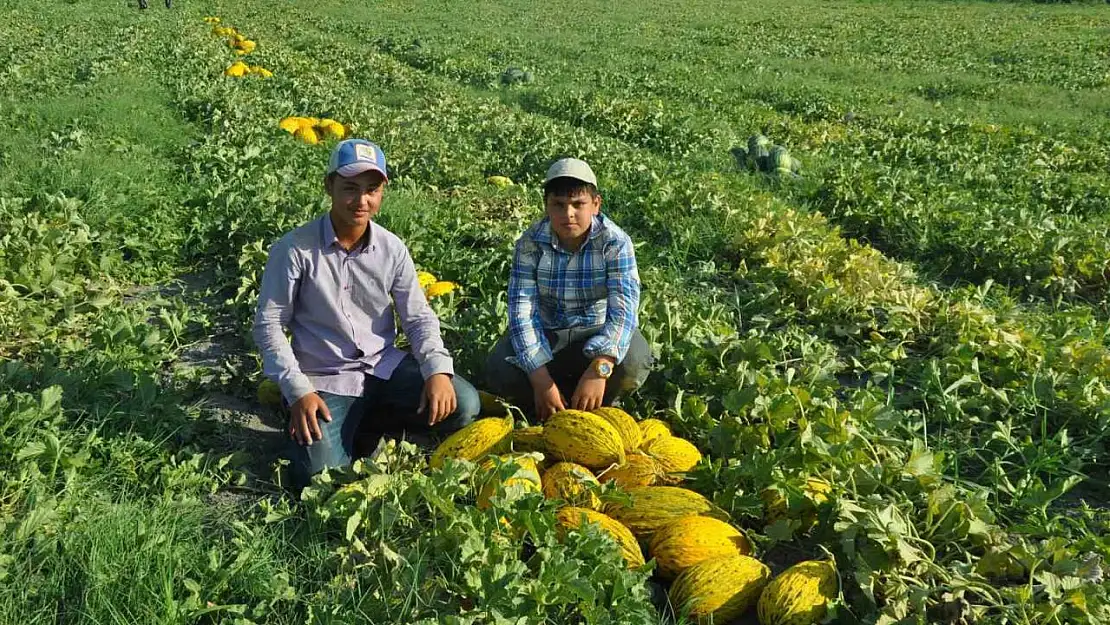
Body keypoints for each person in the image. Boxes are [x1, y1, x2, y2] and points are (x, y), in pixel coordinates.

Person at [253, 138, 480, 487]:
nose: (362, 201)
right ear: (329, 185)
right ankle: (334, 422)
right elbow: (269, 326)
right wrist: (298, 390)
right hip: (325, 378)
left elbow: (418, 317)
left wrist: (437, 370)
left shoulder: (391, 248)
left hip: (383, 367)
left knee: (463, 402)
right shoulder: (294, 249)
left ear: (383, 191)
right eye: (350, 188)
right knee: (320, 479)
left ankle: (369, 419)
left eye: (372, 190)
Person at [485, 158, 652, 421]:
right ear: (546, 206)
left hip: (595, 332)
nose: (568, 214)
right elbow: (522, 314)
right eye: (559, 205)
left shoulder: (615, 242)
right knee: (499, 366)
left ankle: (596, 400)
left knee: (635, 358)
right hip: (549, 334)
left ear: (596, 205)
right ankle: (550, 398)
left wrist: (600, 368)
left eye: (578, 204)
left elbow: (624, 312)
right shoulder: (530, 244)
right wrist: (541, 380)